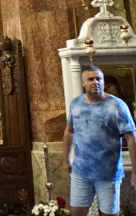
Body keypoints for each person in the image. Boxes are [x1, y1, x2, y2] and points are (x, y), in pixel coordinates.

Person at [63, 66, 136, 216]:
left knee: (109, 214)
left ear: (103, 82)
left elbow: (131, 137)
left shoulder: (117, 106)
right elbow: (69, 131)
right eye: (91, 79)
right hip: (81, 172)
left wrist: (135, 171)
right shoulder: (76, 104)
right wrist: (66, 159)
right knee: (76, 212)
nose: (95, 82)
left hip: (108, 174)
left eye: (99, 79)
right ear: (83, 83)